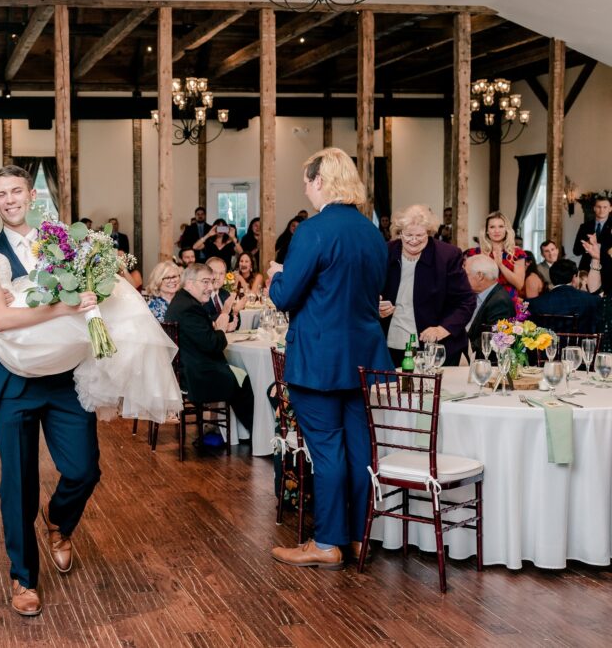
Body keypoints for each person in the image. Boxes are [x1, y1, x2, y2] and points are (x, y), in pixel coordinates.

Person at [0, 168, 180, 616]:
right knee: (18, 483)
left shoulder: (63, 240)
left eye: (15, 192)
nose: (7, 201)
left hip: (67, 376)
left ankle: (59, 521)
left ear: (31, 195)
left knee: (85, 469)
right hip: (13, 381)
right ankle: (23, 578)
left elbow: (92, 289)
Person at [266, 147, 393, 571]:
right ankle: (357, 538)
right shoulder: (373, 233)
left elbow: (286, 297)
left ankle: (326, 542)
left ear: (321, 181)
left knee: (328, 452)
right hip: (364, 356)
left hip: (320, 359)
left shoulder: (313, 231)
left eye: (307, 179)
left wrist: (276, 276)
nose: (305, 187)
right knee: (360, 451)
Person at [378, 205, 475, 367]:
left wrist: (442, 329)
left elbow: (466, 301)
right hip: (392, 342)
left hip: (435, 347)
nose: (413, 240)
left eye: (420, 235)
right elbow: (369, 289)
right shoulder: (386, 252)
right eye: (408, 235)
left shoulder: (446, 256)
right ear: (399, 232)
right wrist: (376, 304)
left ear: (429, 233)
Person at [165, 263, 254, 434]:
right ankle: (255, 434)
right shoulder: (190, 308)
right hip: (197, 377)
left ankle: (240, 435)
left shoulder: (183, 302)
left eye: (211, 282)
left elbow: (200, 336)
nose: (210, 287)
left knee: (239, 375)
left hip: (188, 370)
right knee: (243, 380)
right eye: (205, 282)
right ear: (189, 283)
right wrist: (220, 329)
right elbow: (213, 345)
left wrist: (219, 328)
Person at [526, 259, 601, 333]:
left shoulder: (534, 303)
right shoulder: (592, 300)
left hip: (547, 344)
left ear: (551, 278)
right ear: (574, 277)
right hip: (581, 344)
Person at [464, 211, 526, 299]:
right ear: (487, 231)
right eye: (492, 227)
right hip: (481, 300)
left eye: (501, 226)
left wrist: (500, 265)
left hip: (508, 301)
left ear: (506, 230)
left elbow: (519, 284)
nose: (497, 231)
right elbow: (467, 281)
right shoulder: (474, 253)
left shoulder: (517, 253)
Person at [465, 253, 517, 358]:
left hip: (482, 360)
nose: (463, 278)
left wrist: (461, 348)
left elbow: (494, 339)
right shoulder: (480, 294)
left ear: (480, 276)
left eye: (466, 274)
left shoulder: (499, 302)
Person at [573, 196, 612, 292]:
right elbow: (576, 251)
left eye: (605, 207)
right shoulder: (584, 227)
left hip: (608, 271)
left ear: (610, 208)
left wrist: (597, 246)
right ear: (594, 208)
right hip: (585, 271)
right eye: (598, 207)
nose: (601, 210)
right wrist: (588, 245)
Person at [204, 257, 241, 331]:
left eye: (221, 273)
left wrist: (235, 312)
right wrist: (224, 313)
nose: (217, 277)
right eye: (214, 272)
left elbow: (237, 323)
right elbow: (205, 321)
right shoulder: (201, 295)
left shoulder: (225, 294)